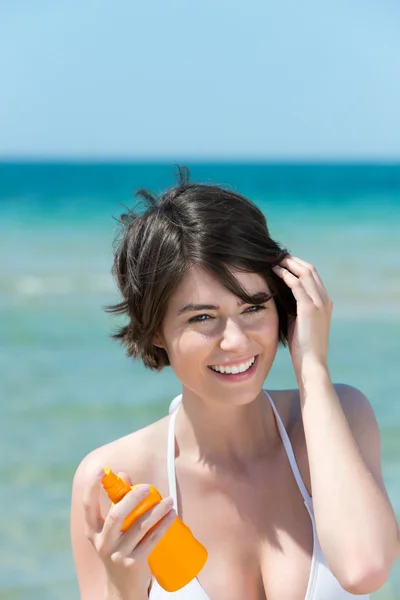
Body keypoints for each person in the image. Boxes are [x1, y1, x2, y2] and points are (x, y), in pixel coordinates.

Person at [70, 166, 399, 600]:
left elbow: (364, 569)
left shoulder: (343, 417)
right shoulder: (116, 479)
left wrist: (312, 368)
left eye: (254, 307)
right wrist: (121, 588)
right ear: (155, 330)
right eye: (202, 317)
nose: (236, 341)